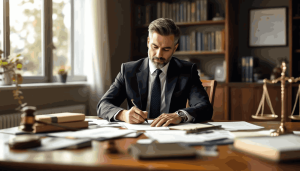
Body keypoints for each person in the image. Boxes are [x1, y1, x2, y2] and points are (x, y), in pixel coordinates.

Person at [97, 18, 213, 127]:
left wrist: (179, 115)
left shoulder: (187, 71)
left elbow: (205, 107)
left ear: (175, 48)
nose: (159, 54)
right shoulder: (128, 70)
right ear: (148, 42)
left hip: (172, 134)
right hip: (138, 133)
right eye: (155, 46)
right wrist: (123, 115)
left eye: (166, 49)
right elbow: (103, 105)